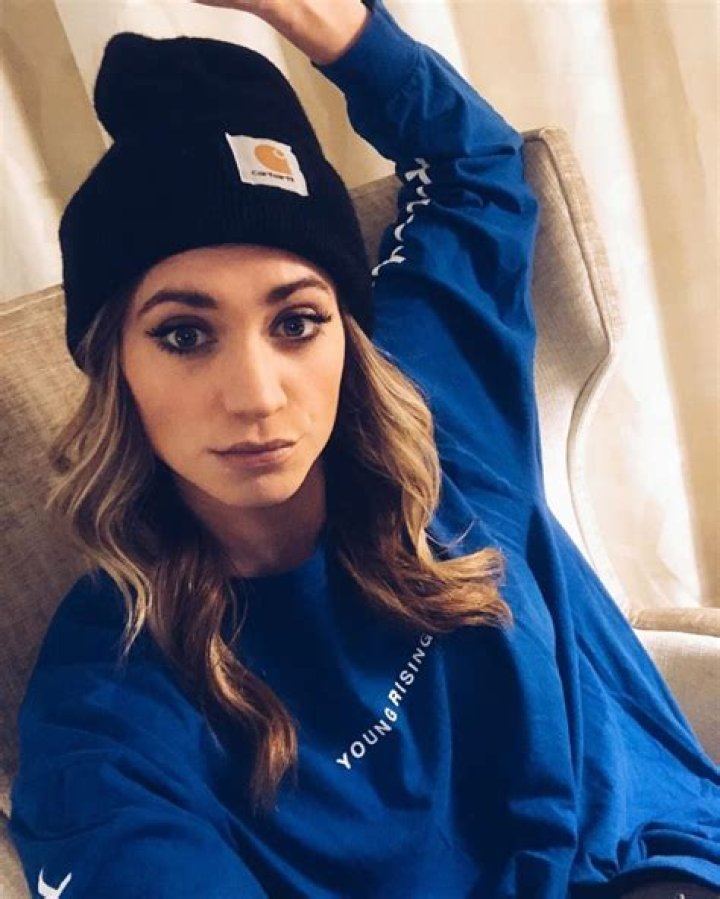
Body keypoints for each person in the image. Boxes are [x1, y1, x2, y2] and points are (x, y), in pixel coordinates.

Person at [8, 1, 720, 897]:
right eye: (184, 335)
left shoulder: (436, 403)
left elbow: (476, 166)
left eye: (296, 321)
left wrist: (332, 22)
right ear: (113, 364)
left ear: (345, 333)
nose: (257, 395)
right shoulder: (108, 703)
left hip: (668, 857)